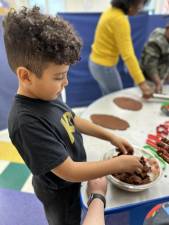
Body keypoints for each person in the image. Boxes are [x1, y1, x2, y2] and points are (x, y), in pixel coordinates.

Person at [3, 6, 143, 225]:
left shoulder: (48, 94)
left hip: (74, 182)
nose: (65, 83)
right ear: (25, 76)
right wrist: (118, 165)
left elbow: (72, 119)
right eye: (59, 77)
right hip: (58, 192)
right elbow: (69, 171)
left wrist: (110, 136)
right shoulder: (25, 122)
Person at [89, 0, 153, 98]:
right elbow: (128, 55)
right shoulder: (119, 20)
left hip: (95, 63)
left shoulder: (111, 11)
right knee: (117, 98)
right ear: (130, 3)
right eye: (141, 3)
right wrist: (142, 83)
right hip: (104, 66)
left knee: (107, 98)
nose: (141, 7)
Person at [140, 24, 169, 93]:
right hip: (147, 80)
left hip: (162, 78)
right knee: (147, 101)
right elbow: (150, 66)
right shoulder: (156, 41)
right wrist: (158, 83)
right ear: (167, 29)